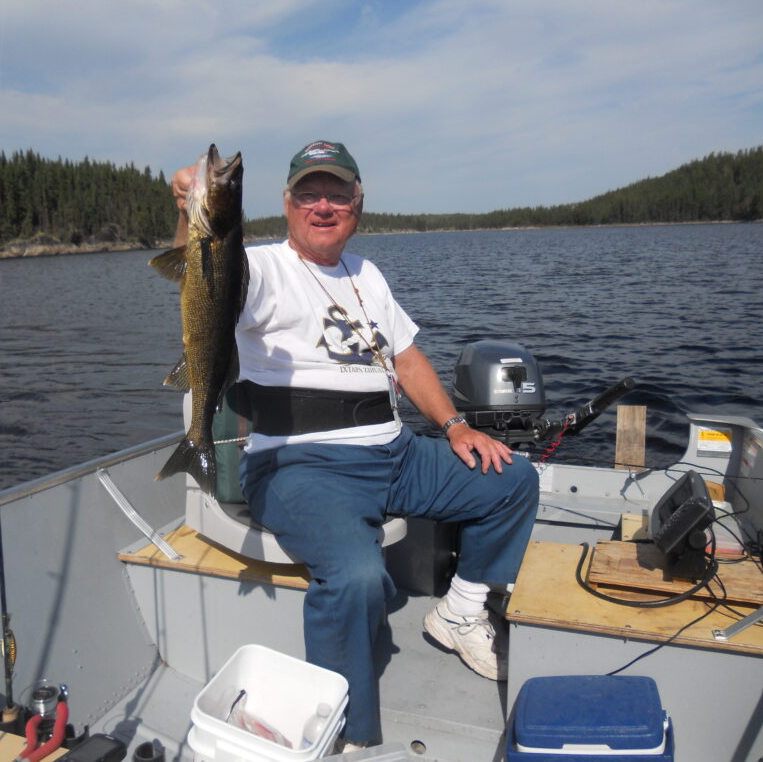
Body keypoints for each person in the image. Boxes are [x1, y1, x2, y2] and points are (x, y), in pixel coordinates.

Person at [171, 141, 539, 747]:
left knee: (512, 478)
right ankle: (345, 734)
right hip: (302, 465)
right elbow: (200, 275)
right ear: (286, 205)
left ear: (358, 205)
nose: (324, 205)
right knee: (358, 576)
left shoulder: (366, 273)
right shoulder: (257, 267)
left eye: (337, 193)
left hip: (394, 451)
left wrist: (455, 426)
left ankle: (460, 612)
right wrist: (190, 207)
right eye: (309, 193)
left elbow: (408, 358)